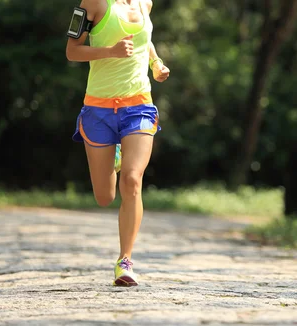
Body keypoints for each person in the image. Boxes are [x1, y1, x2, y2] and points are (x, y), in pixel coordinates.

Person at [65, 0, 169, 286]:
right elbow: (72, 52)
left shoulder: (145, 3)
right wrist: (109, 52)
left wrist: (156, 63)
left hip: (139, 106)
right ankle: (115, 156)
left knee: (132, 181)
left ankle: (125, 261)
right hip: (98, 110)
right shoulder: (93, 4)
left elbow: (143, 40)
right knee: (104, 197)